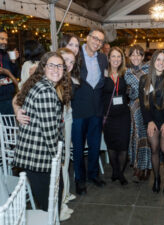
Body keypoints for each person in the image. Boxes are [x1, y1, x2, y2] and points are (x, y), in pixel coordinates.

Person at [13, 51, 71, 212]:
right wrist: (58, 159)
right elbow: (50, 132)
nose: (56, 69)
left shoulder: (41, 85)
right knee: (50, 207)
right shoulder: (46, 91)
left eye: (60, 66)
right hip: (39, 159)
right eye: (51, 65)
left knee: (50, 206)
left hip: (35, 157)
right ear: (43, 68)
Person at [71, 28, 108, 195]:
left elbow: (103, 80)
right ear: (87, 38)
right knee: (78, 147)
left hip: (97, 109)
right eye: (95, 38)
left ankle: (93, 174)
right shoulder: (75, 56)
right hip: (79, 109)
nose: (97, 42)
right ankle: (80, 179)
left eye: (100, 40)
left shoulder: (102, 58)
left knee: (94, 145)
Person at [139, 50, 164, 194]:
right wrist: (149, 121)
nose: (161, 63)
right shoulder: (144, 80)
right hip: (152, 119)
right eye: (158, 59)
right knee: (154, 149)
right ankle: (157, 179)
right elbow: (143, 104)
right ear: (153, 61)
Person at [58, 34, 81, 205]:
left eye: (71, 62)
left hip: (68, 116)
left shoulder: (67, 75)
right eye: (66, 60)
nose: (69, 65)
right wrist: (17, 109)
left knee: (65, 157)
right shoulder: (52, 73)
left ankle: (65, 194)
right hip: (58, 121)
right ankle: (60, 200)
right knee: (59, 160)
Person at [102, 47, 130, 185]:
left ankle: (121, 174)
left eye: (119, 57)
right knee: (111, 145)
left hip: (124, 116)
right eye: (113, 56)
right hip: (109, 116)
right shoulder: (103, 74)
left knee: (123, 146)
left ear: (122, 59)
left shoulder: (125, 74)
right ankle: (115, 171)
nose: (116, 59)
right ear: (109, 58)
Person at [124, 45, 152, 181]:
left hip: (147, 107)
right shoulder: (126, 72)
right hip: (134, 109)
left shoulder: (149, 70)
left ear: (142, 56)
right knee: (135, 136)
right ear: (129, 57)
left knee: (148, 137)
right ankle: (137, 166)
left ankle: (147, 167)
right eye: (133, 55)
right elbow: (128, 92)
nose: (136, 57)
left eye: (138, 54)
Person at [0, 27, 19, 114]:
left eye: (6, 39)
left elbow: (15, 74)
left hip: (8, 97)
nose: (5, 42)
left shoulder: (6, 55)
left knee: (9, 125)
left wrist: (13, 61)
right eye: (2, 39)